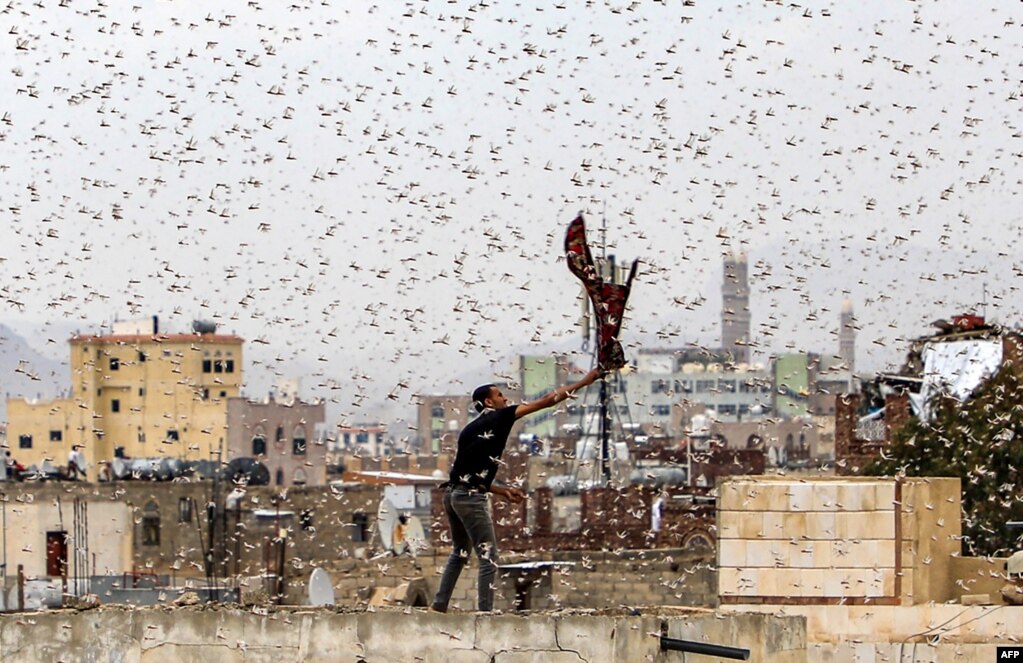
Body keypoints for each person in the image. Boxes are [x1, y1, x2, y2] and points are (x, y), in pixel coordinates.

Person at [431, 366, 602, 613]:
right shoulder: (501, 417)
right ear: (489, 401)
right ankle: (485, 615)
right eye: (500, 395)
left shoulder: (469, 429)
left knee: (459, 553)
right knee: (488, 557)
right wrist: (584, 382)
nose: (506, 399)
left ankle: (439, 606)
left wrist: (501, 491)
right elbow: (546, 401)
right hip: (470, 498)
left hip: (452, 495)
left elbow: (466, 473)